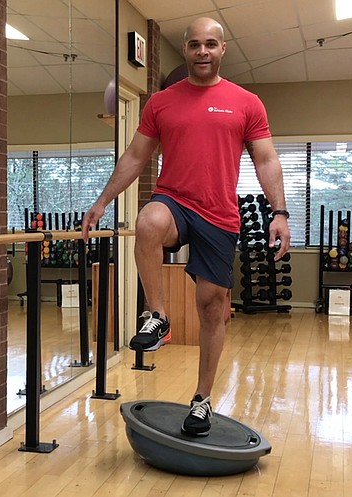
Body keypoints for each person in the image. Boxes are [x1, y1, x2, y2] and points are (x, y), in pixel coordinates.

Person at [81, 17, 290, 436]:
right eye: (195, 45)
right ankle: (157, 316)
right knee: (147, 221)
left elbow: (265, 159)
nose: (202, 52)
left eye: (210, 44)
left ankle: (202, 400)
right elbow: (136, 156)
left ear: (223, 49)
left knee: (212, 307)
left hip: (219, 213)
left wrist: (279, 212)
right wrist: (102, 201)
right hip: (174, 199)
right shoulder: (161, 102)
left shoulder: (246, 102)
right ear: (187, 48)